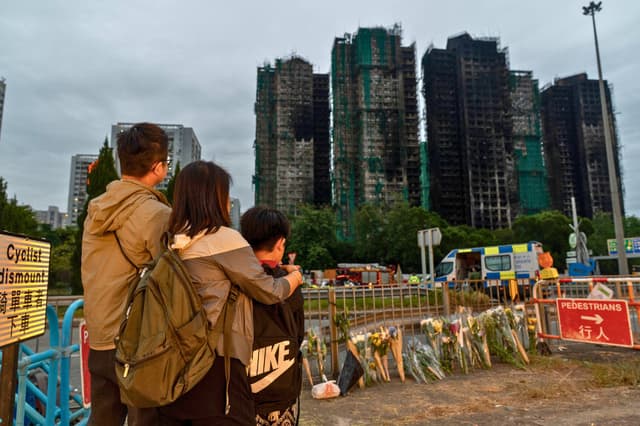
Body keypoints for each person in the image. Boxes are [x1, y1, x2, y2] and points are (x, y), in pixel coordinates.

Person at [158, 161, 303, 426]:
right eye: (224, 195)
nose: (227, 203)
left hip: (174, 368)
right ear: (212, 198)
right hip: (216, 369)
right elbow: (269, 290)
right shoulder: (223, 238)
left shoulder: (170, 242)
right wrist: (295, 276)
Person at [82, 122, 172, 425]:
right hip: (136, 344)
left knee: (103, 418)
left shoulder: (96, 208)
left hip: (99, 338)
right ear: (159, 167)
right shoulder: (156, 214)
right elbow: (170, 275)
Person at [240, 206, 305, 426]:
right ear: (279, 244)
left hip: (242, 396)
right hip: (281, 395)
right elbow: (299, 334)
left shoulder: (234, 280)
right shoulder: (291, 283)